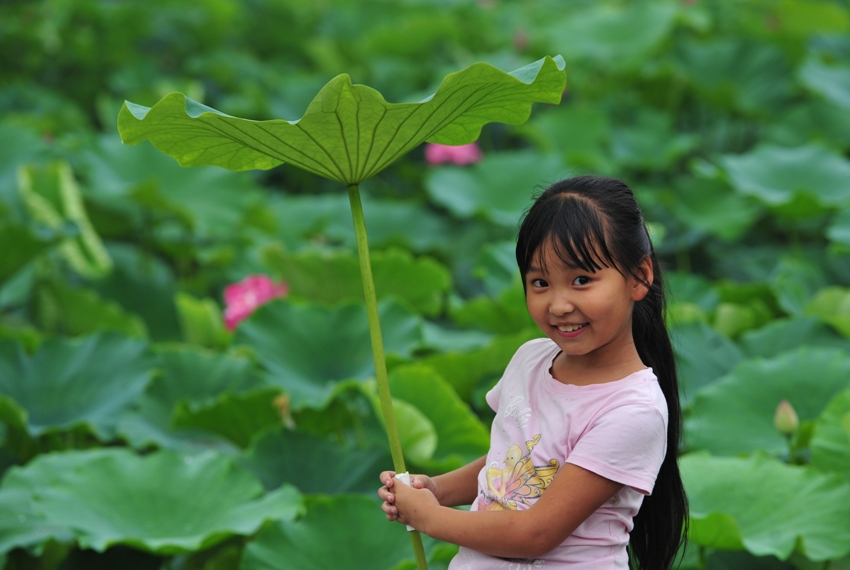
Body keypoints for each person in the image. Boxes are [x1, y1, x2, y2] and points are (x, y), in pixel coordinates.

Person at [377, 176, 688, 569]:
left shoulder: (633, 410)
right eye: (540, 282)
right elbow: (509, 460)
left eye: (581, 280)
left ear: (640, 276)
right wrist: (436, 490)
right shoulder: (531, 359)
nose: (558, 305)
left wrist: (429, 518)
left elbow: (535, 535)